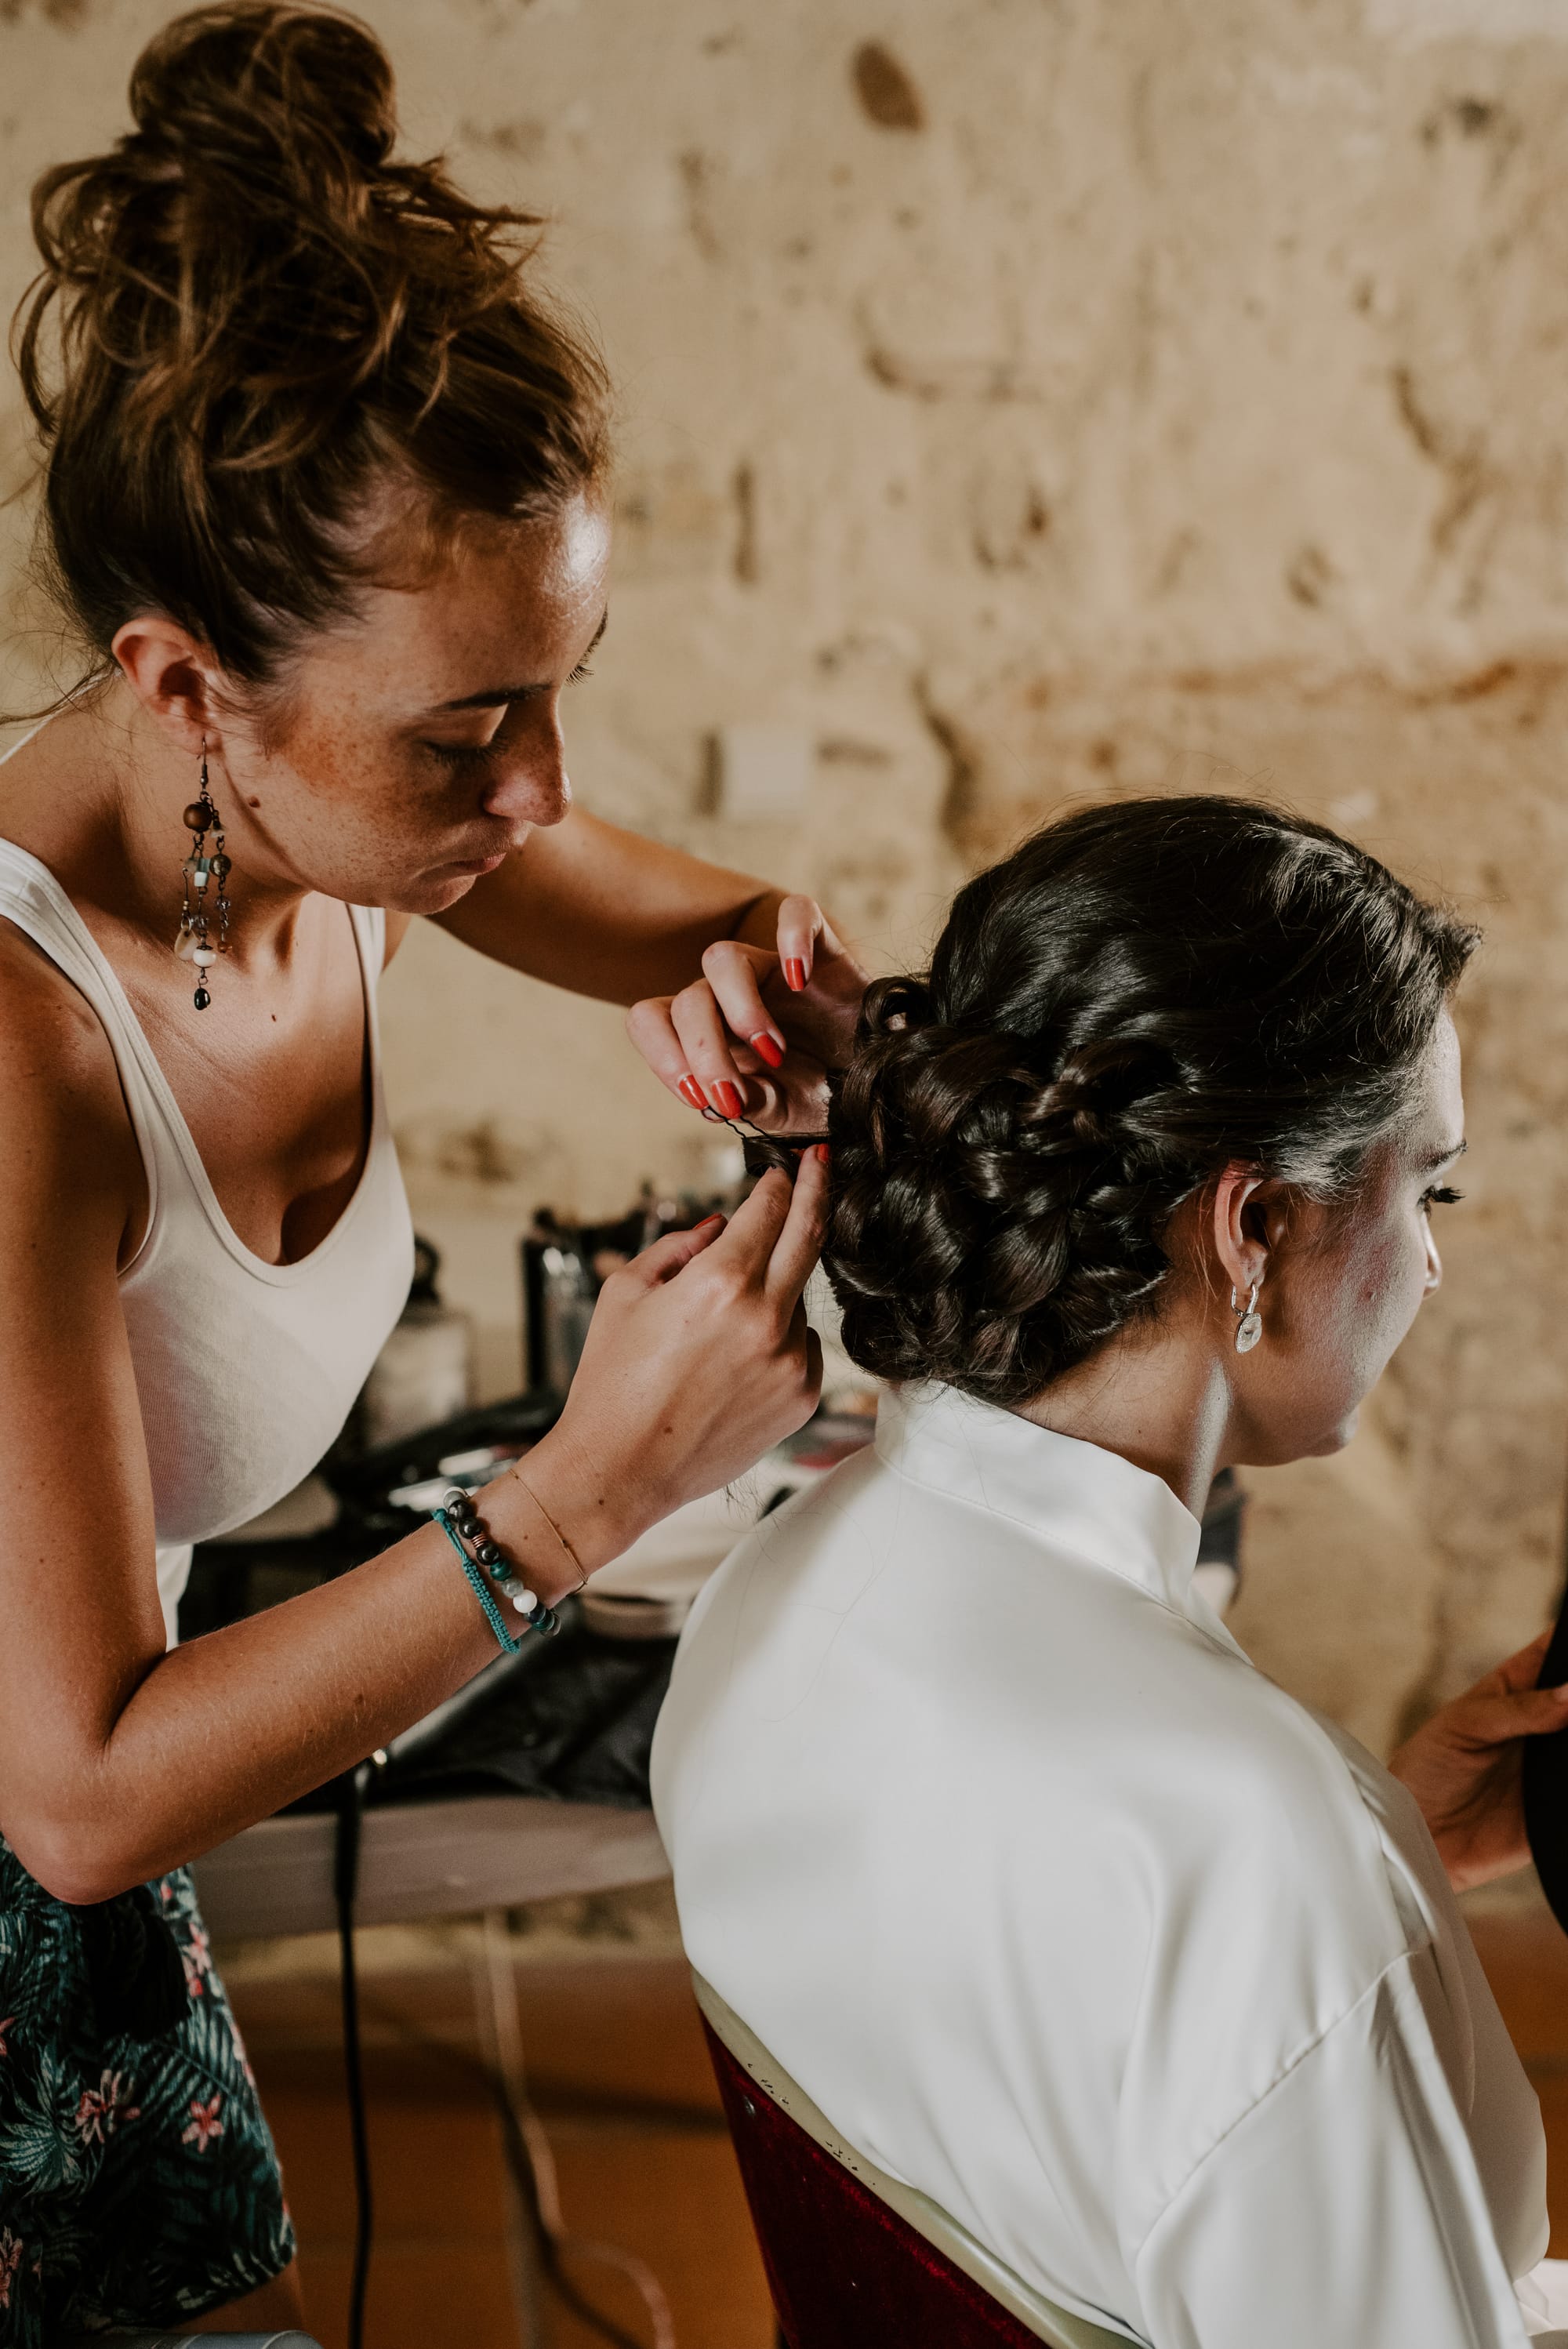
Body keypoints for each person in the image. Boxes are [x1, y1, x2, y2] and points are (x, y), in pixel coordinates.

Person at [0, 6, 856, 2339]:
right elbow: (73, 1793)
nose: (535, 787)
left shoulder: (335, 818)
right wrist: (582, 1497)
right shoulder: (15, 1054)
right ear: (186, 690)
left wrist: (774, 972)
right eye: (472, 728)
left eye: (560, 681)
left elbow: (705, 925)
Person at [653, 796, 1568, 2349]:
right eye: (1430, 1186)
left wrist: (1383, 1852)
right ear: (1256, 1226)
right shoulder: (1272, 1876)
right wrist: (1349, 1899)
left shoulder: (777, 1587)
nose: (1426, 1261)